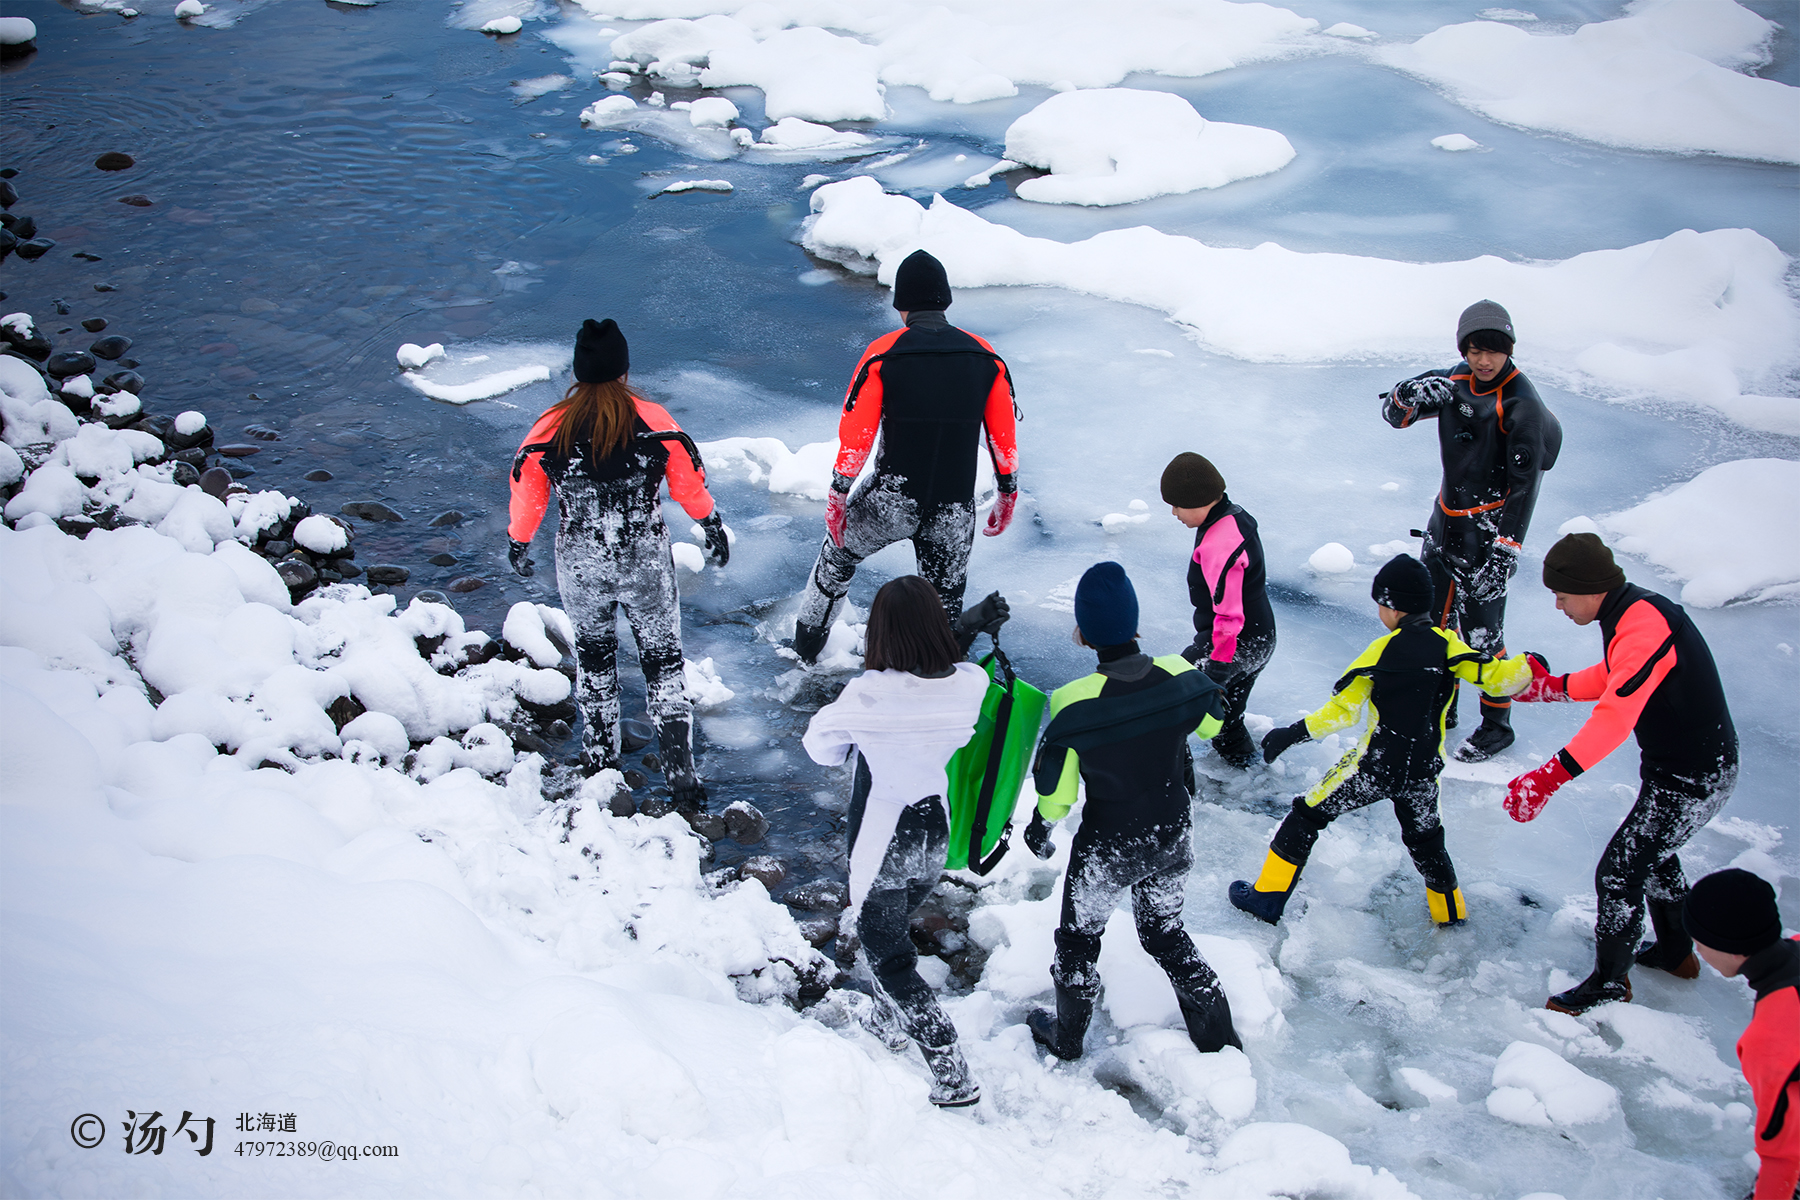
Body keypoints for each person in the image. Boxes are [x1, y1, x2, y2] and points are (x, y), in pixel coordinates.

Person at [1504, 532, 1738, 1014]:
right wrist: (1553, 688)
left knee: (1619, 874)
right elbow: (1615, 674)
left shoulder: (1643, 626)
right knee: (1651, 855)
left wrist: (1548, 778)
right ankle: (1676, 953)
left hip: (1694, 779)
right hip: (1683, 771)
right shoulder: (1633, 614)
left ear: (1590, 589)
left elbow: (1615, 714)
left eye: (1562, 596)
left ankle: (1611, 983)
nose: (1558, 606)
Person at [1233, 554, 1532, 928]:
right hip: (1423, 771)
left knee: (1305, 815)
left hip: (1375, 768)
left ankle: (1266, 899)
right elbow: (1500, 680)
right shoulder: (1449, 647)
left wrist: (1291, 734)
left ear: (1392, 607)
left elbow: (1342, 712)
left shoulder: (1380, 653)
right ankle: (1450, 914)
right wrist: (1530, 666)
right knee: (1427, 842)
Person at [1023, 562, 1241, 1060]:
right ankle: (1217, 1038)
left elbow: (1056, 792)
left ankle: (1068, 1038)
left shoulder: (1073, 704)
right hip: (1171, 831)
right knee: (1164, 932)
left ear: (1082, 633)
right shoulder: (1182, 677)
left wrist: (1042, 827)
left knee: (1078, 941)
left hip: (1109, 845)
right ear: (1136, 623)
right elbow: (1212, 724)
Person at [508, 318, 729, 805]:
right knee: (664, 665)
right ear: (625, 371)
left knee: (595, 661)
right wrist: (711, 524)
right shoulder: (654, 420)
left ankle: (600, 761)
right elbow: (688, 484)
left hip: (582, 561)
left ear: (578, 372)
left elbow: (528, 492)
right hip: (644, 559)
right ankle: (681, 778)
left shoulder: (549, 427)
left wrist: (518, 541)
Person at [801, 575, 994, 1107]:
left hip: (884, 832)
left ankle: (951, 1068)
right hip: (935, 828)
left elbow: (820, 747)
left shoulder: (868, 693)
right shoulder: (971, 684)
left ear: (881, 633)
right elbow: (946, 673)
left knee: (886, 952)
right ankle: (890, 1018)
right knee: (893, 929)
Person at [791, 249, 1019, 664]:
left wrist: (838, 497)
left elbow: (856, 437)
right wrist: (1007, 496)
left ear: (902, 306)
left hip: (890, 501)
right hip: (953, 508)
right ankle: (940, 668)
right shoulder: (985, 356)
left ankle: (805, 653)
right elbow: (1003, 440)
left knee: (836, 562)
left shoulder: (884, 353)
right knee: (941, 602)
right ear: (945, 301)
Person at [1382, 300, 1561, 762]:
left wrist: (1505, 552)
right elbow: (1396, 417)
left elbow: (1526, 488)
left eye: (1494, 352)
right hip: (1444, 525)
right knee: (1433, 624)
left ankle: (1498, 725)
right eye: (1475, 350)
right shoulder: (1455, 379)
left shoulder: (1523, 406)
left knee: (1483, 634)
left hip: (1488, 532)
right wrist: (1407, 393)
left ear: (1511, 349)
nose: (1484, 361)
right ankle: (1444, 706)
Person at [1683, 869, 1798, 1200]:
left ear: (1732, 948)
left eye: (1701, 944)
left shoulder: (1770, 1038)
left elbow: (1782, 1153)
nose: (1699, 953)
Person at [1161, 451, 1275, 769]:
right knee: (1226, 721)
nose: (1173, 512)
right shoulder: (1234, 516)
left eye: (1178, 505)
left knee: (1169, 701)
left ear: (1200, 501)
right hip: (1260, 638)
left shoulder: (1219, 545)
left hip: (1232, 644)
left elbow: (1227, 616)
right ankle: (1251, 777)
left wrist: (1217, 671)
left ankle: (1175, 787)